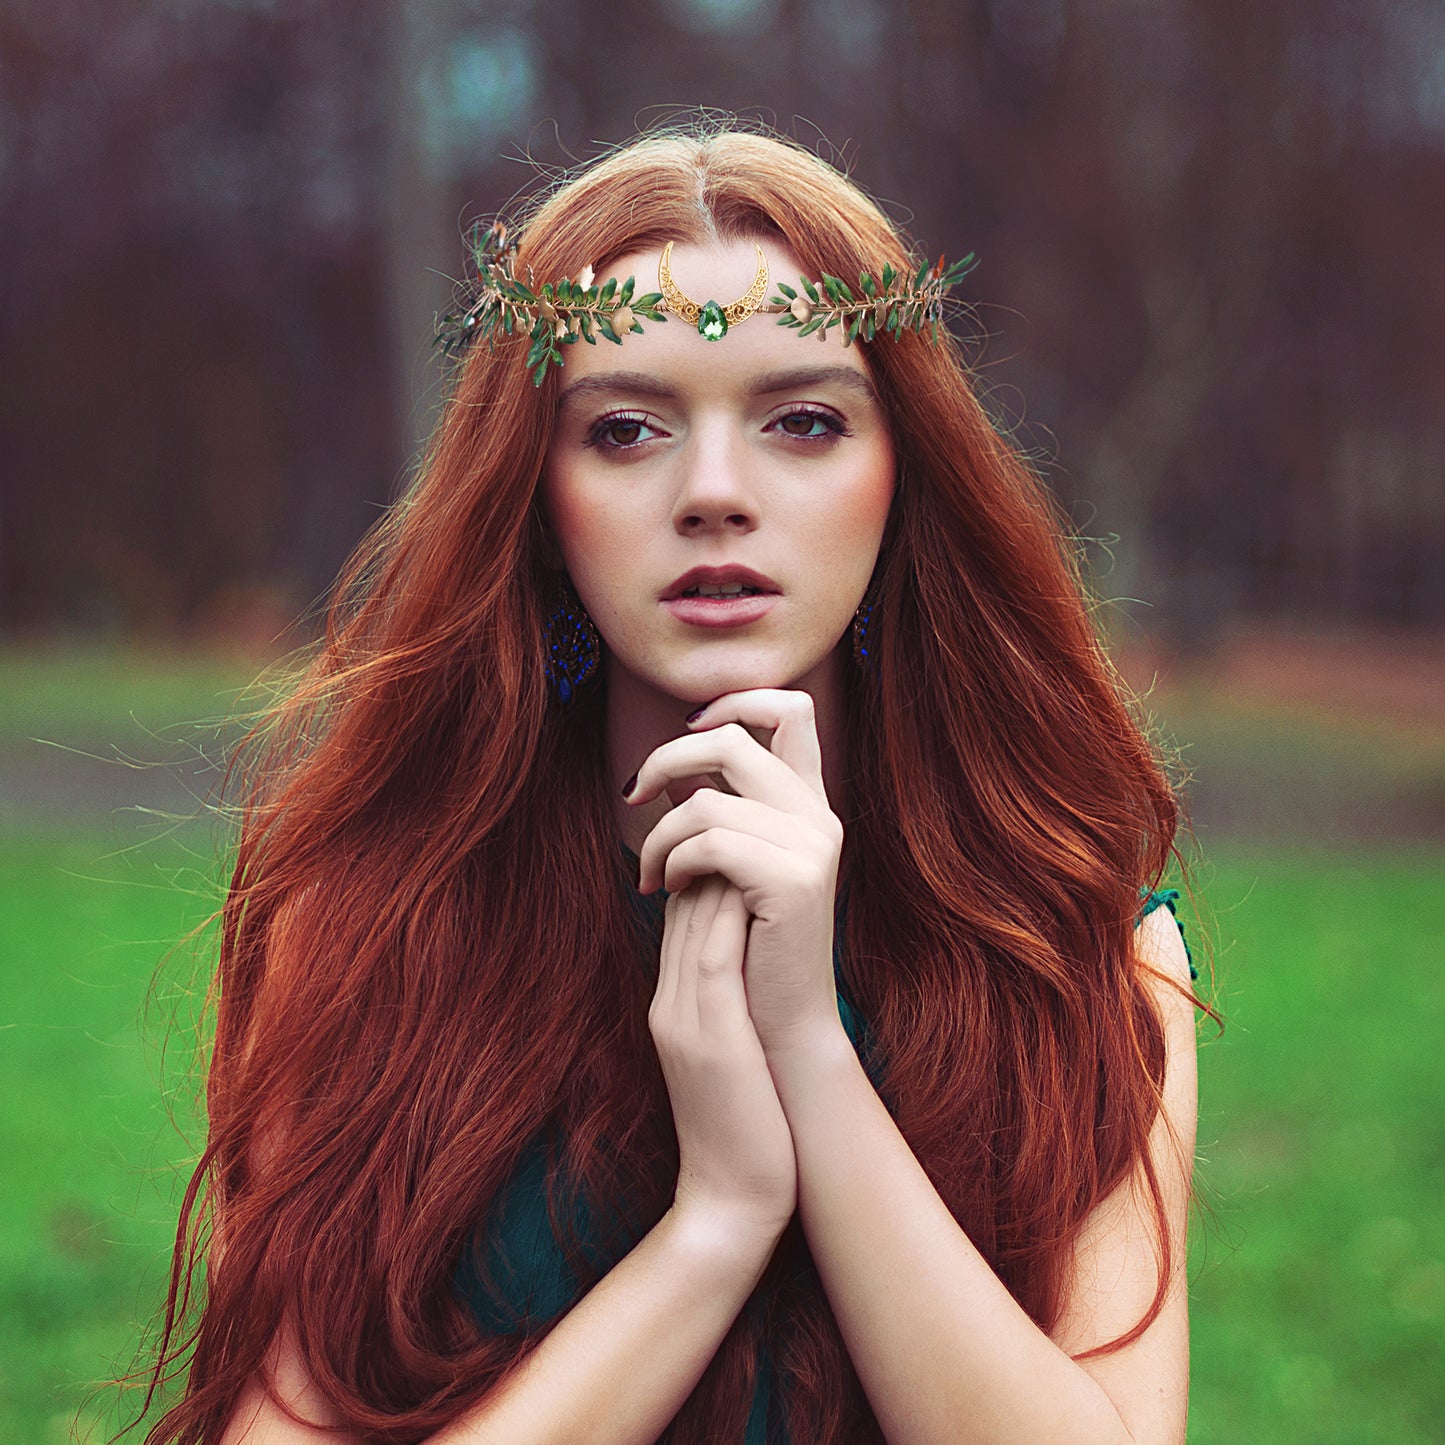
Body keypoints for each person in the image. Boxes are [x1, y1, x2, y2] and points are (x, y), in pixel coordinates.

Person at [138, 122, 1201, 1445]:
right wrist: (716, 1221)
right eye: (627, 429)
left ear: (901, 475)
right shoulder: (371, 917)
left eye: (803, 420)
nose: (713, 493)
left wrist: (812, 1056)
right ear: (535, 490)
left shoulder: (1083, 942)